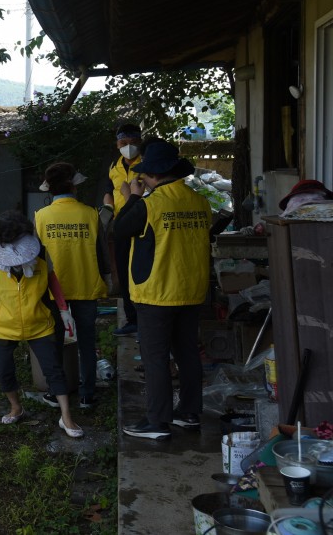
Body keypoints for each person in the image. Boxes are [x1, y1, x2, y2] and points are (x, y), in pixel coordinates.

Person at [114, 139, 210, 440]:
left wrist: (132, 197)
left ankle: (157, 421)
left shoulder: (149, 205)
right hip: (192, 290)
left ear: (151, 176)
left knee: (155, 357)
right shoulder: (199, 201)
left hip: (157, 293)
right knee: (187, 352)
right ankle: (190, 413)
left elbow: (117, 231)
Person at [0, 210, 84, 438]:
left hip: (39, 322)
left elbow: (52, 280)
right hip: (3, 324)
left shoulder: (40, 254)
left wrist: (63, 310)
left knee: (54, 370)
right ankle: (16, 407)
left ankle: (66, 417)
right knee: (3, 370)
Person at [35, 163, 110, 409]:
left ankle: (57, 393)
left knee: (54, 342)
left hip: (51, 291)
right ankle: (88, 394)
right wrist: (108, 279)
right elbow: (102, 254)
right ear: (73, 185)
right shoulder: (90, 213)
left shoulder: (40, 216)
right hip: (87, 287)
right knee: (87, 343)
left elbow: (35, 258)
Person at [103, 123, 143, 337]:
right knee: (124, 272)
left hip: (144, 224)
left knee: (142, 270)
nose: (128, 147)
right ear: (117, 143)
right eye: (123, 143)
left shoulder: (146, 163)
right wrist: (107, 210)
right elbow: (108, 191)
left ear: (140, 142)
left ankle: (145, 317)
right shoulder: (114, 165)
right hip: (121, 226)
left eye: (133, 142)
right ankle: (131, 319)